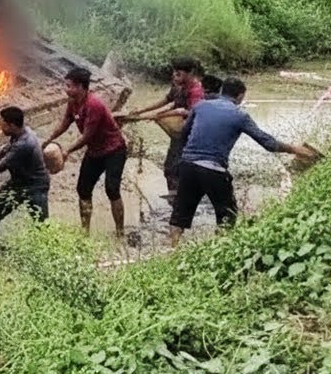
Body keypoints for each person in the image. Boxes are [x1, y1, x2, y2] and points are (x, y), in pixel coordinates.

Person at [168, 77, 312, 246]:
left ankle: (173, 247)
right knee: (227, 215)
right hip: (214, 170)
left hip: (188, 166)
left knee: (181, 211)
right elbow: (268, 143)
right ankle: (219, 249)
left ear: (222, 91)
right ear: (240, 96)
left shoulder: (200, 106)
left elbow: (183, 134)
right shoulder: (240, 116)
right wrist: (295, 149)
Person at [45, 67, 129, 237]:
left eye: (70, 86)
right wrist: (47, 140)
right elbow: (65, 123)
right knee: (83, 189)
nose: (66, 89)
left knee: (112, 189)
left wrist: (66, 150)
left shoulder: (94, 105)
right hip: (95, 151)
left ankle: (120, 233)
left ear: (82, 87)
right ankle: (85, 233)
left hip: (114, 150)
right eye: (66, 85)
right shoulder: (72, 103)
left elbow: (86, 136)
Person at [0, 106, 50, 251]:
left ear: (11, 125)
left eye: (2, 124)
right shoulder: (18, 134)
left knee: (41, 224)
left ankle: (49, 255)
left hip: (35, 186)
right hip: (18, 182)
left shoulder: (24, 144)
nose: (0, 127)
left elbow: (1, 166)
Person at [125, 57, 206, 196]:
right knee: (170, 168)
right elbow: (166, 100)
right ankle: (176, 197)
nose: (174, 76)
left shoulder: (196, 91)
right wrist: (141, 111)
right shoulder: (177, 86)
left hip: (191, 135)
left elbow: (196, 113)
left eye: (178, 74)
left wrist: (164, 114)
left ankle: (180, 199)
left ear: (190, 73)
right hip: (178, 134)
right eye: (174, 73)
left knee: (176, 168)